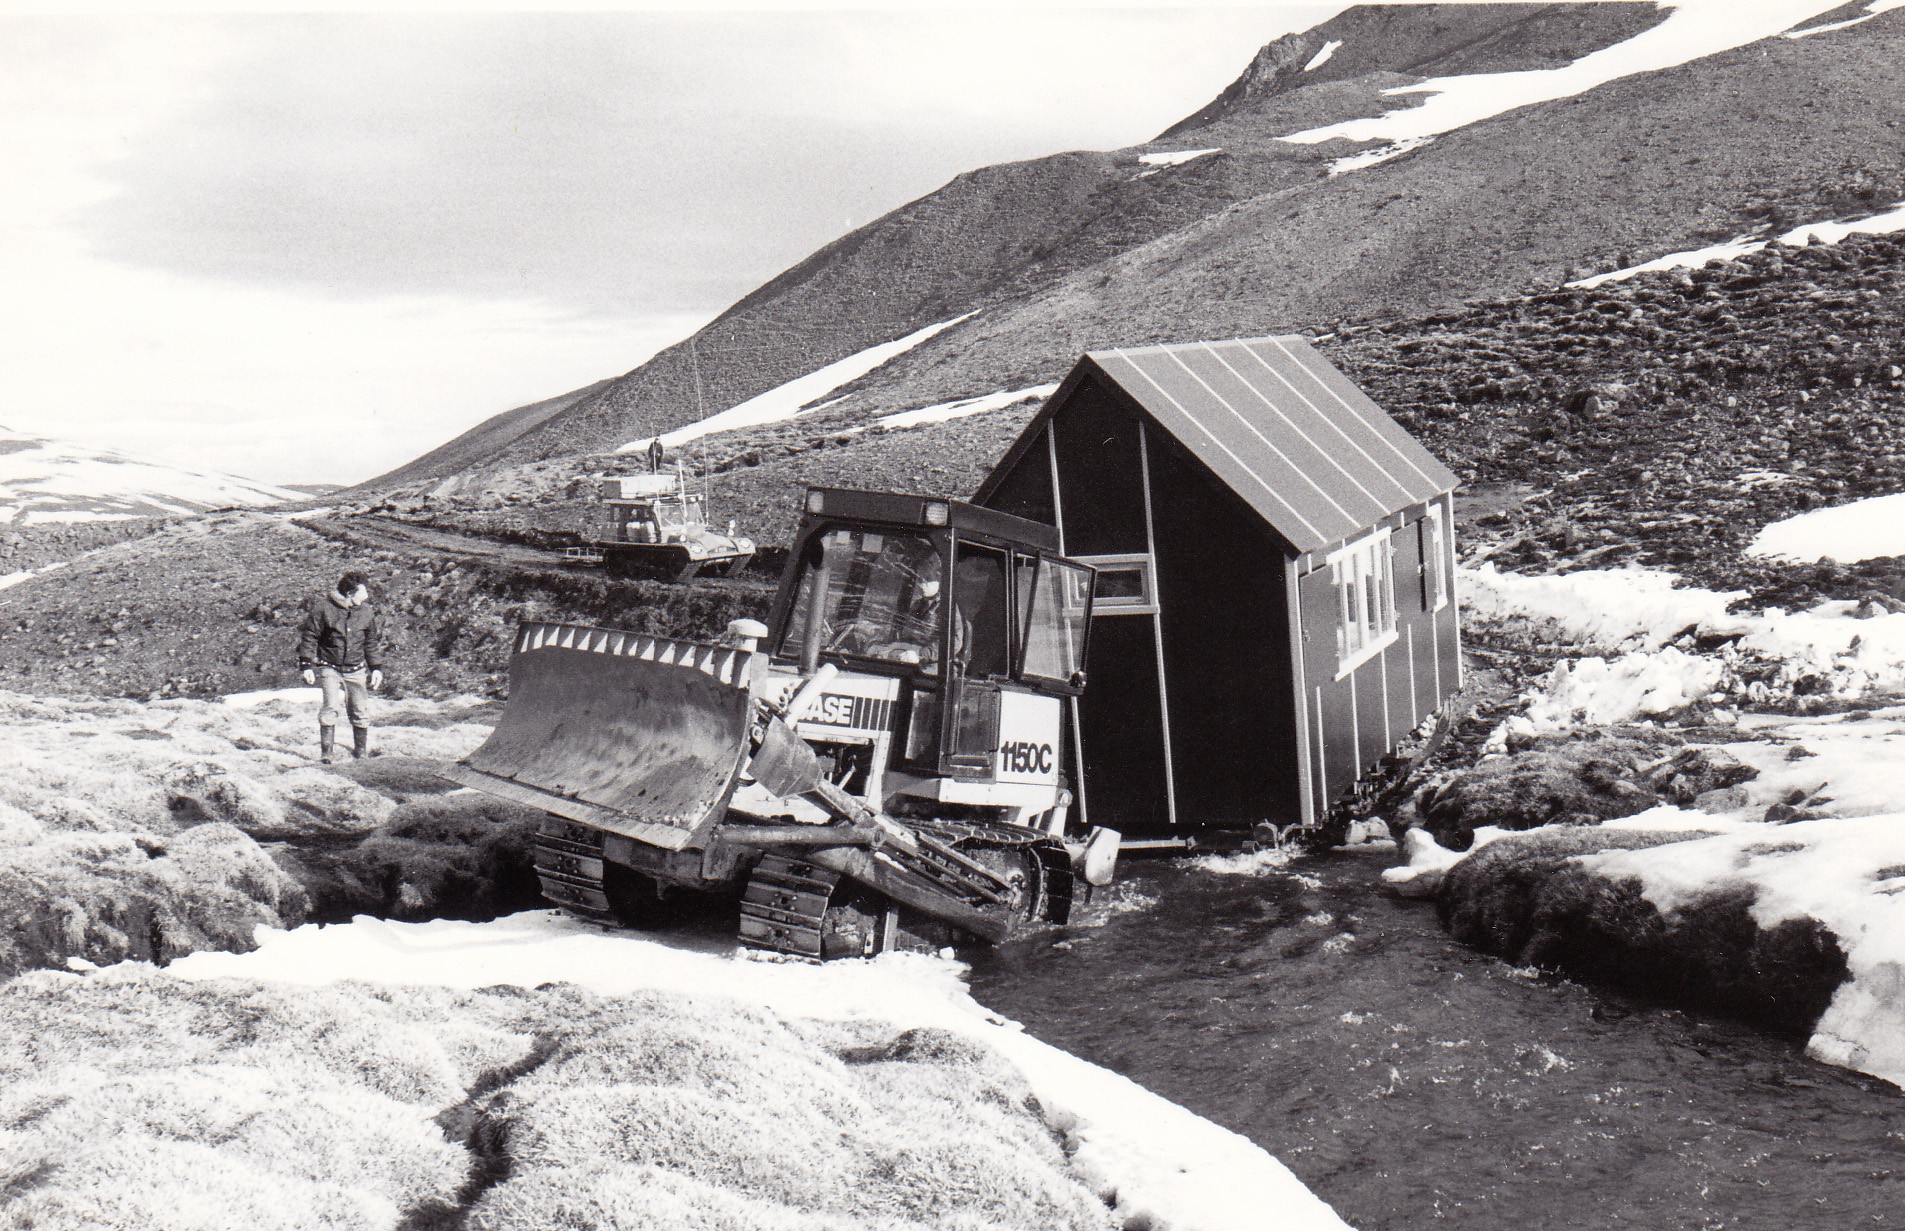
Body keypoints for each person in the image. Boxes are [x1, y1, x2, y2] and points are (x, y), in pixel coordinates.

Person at [297, 570, 384, 763]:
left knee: (360, 710)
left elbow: (370, 642)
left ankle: (361, 752)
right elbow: (310, 637)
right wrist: (306, 665)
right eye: (363, 591)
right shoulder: (323, 609)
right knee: (330, 708)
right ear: (349, 593)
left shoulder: (366, 612)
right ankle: (327, 754)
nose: (367, 595)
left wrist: (376, 667)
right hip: (330, 668)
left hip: (356, 670)